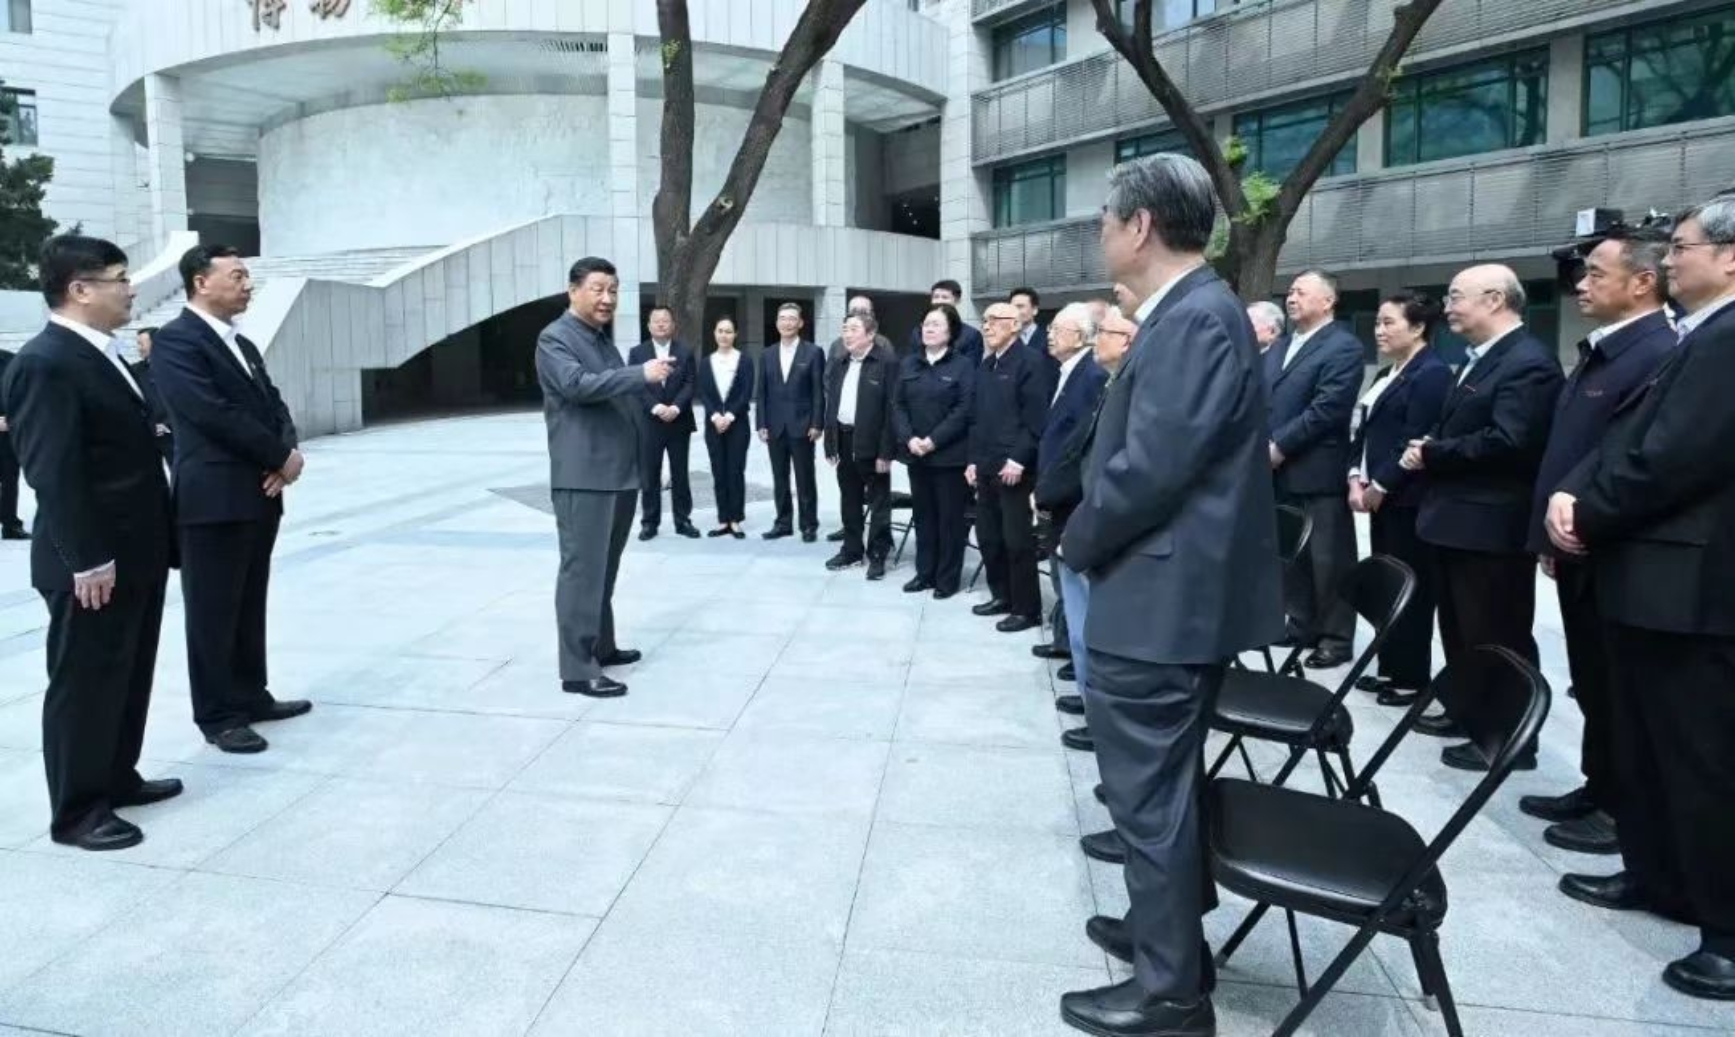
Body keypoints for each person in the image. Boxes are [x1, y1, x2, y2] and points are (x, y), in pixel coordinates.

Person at [1059, 154, 1282, 1037]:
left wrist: (1077, 539)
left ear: (1140, 225)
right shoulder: (1194, 311)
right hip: (1169, 591)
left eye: (1106, 219)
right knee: (1163, 788)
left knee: (1146, 797)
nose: (1100, 233)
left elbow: (1151, 468)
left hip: (1159, 599)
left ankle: (1170, 994)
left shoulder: (1191, 318)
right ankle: (1168, 939)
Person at [1548, 198, 1735, 1000]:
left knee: (1702, 761)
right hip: (1651, 582)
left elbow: (1671, 458)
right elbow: (1624, 441)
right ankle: (1660, 877)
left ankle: (1724, 930)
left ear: (1729, 256)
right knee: (1651, 749)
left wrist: (1585, 511)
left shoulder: (1726, 339)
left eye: (1682, 246)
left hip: (1692, 592)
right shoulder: (1697, 335)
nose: (1668, 260)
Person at [0, 235, 179, 850]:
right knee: (86, 684)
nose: (131, 289)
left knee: (127, 674)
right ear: (79, 289)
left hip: (133, 552)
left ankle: (116, 777)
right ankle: (78, 812)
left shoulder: (103, 353)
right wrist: (87, 558)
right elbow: (52, 471)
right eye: (119, 278)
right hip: (91, 563)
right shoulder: (45, 362)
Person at [1521, 235, 1674, 858]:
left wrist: (1579, 518)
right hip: (1575, 542)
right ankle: (1599, 783)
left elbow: (1624, 454)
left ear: (1642, 282)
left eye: (1595, 274)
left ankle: (1620, 808)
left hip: (1608, 543)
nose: (1580, 286)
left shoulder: (1657, 351)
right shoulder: (1608, 349)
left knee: (1615, 686)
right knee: (1591, 677)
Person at [150, 245, 313, 755]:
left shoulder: (241, 343)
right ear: (201, 282)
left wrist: (286, 452)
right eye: (238, 275)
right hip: (213, 500)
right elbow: (210, 412)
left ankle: (250, 693)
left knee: (248, 601)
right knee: (213, 611)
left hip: (259, 493)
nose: (248, 285)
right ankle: (218, 714)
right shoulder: (176, 341)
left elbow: (273, 403)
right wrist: (278, 457)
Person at [1400, 264, 1561, 771]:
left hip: (1492, 526)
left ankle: (1507, 736)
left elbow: (1511, 440)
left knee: (1497, 632)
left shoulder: (1528, 363)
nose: (1446, 307)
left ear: (1494, 299)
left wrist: (1434, 453)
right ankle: (1469, 711)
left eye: (1455, 297)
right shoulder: (1482, 358)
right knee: (1461, 628)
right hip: (1458, 521)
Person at [536, 256, 671, 699]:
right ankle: (577, 669)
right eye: (598, 289)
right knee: (582, 573)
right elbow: (577, 386)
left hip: (617, 473)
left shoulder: (599, 339)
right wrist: (639, 374)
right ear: (573, 290)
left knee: (604, 571)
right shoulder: (555, 338)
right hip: (584, 475)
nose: (607, 298)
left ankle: (601, 646)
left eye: (613, 290)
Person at [1346, 291, 1452, 707]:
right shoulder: (1387, 373)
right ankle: (1389, 665)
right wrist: (1355, 478)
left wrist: (1380, 485)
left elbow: (1415, 438)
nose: (1379, 330)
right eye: (1377, 322)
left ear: (1418, 327)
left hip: (1407, 500)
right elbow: (1363, 432)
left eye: (1389, 322)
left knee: (1413, 590)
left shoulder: (1432, 374)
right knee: (1387, 587)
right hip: (1379, 498)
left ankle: (1411, 677)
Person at [1038, 304, 1136, 723]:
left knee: (1092, 620)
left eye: (1105, 333)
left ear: (1128, 342)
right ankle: (1089, 694)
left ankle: (1100, 712)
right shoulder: (1108, 381)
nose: (1098, 340)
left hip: (1090, 513)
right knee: (1079, 618)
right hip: (1072, 507)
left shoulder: (1113, 385)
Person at [1265, 269, 1365, 669]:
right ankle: (1301, 622)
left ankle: (1336, 638)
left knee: (1329, 558)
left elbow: (1328, 408)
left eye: (1302, 292)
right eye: (1290, 292)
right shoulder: (1280, 347)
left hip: (1316, 468)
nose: (1292, 298)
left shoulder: (1343, 347)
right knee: (1293, 555)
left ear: (1328, 301)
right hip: (1276, 469)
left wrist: (1280, 445)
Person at [1034, 303, 1111, 751]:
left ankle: (1097, 708)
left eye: (1058, 328)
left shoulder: (1093, 376)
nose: (1049, 334)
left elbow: (1080, 449)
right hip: (1058, 497)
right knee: (1072, 601)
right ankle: (1087, 694)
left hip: (1073, 502)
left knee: (1086, 611)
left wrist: (1048, 489)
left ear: (1081, 335)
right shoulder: (1070, 371)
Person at [967, 301, 1050, 633]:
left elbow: (1036, 420)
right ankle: (1001, 595)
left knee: (1017, 541)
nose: (986, 326)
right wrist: (973, 460)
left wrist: (1018, 458)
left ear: (1015, 325)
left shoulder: (1031, 362)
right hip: (985, 465)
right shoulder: (987, 365)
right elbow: (976, 420)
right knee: (988, 536)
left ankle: (1027, 609)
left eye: (994, 320)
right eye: (984, 321)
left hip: (1015, 467)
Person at [893, 303, 974, 600]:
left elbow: (964, 410)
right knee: (924, 517)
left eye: (936, 324)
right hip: (917, 456)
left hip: (949, 457)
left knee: (950, 521)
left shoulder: (963, 366)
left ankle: (947, 580)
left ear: (951, 332)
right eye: (926, 324)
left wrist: (933, 440)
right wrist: (909, 438)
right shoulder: (909, 363)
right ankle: (924, 573)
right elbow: (898, 405)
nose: (928, 329)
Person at [823, 313, 898, 580]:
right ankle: (852, 550)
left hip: (873, 442)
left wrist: (886, 451)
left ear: (870, 334)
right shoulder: (840, 362)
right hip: (844, 438)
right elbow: (832, 404)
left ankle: (878, 553)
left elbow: (892, 410)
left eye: (854, 329)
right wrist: (830, 443)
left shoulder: (887, 363)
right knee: (849, 498)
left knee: (879, 501)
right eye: (845, 329)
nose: (847, 334)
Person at [628, 305, 700, 541]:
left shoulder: (684, 351)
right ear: (649, 325)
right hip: (650, 422)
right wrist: (657, 407)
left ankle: (683, 521)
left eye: (665, 320)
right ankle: (650, 523)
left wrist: (676, 407)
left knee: (680, 473)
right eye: (656, 320)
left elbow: (690, 383)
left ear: (673, 325)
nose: (661, 324)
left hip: (679, 422)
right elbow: (636, 385)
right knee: (650, 474)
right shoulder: (637, 353)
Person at [756, 302, 825, 542]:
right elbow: (761, 393)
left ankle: (809, 524)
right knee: (780, 478)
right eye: (782, 318)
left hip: (803, 426)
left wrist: (817, 423)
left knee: (805, 478)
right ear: (777, 323)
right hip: (775, 426)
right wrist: (761, 424)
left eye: (792, 318)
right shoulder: (767, 354)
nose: (787, 322)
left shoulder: (813, 353)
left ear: (800, 323)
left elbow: (818, 392)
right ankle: (783, 523)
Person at [698, 316, 753, 540]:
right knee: (719, 472)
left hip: (737, 424)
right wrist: (715, 417)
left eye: (728, 331)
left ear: (735, 334)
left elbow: (746, 392)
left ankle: (735, 520)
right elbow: (704, 393)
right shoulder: (706, 362)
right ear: (714, 333)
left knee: (735, 471)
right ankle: (723, 520)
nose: (724, 335)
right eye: (720, 331)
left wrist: (728, 416)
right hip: (713, 425)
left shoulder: (745, 360)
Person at [906, 280, 984, 361]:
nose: (939, 301)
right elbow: (911, 362)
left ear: (957, 300)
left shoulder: (971, 335)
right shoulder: (918, 332)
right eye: (936, 297)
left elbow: (971, 366)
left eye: (945, 297)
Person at [129, 326, 174, 465]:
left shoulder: (174, 367)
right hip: (151, 432)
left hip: (174, 431)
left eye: (141, 344)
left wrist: (167, 424)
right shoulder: (135, 370)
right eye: (138, 344)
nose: (139, 348)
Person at [0, 343, 27, 540]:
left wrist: (14, 419)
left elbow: (24, 393)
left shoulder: (10, 360)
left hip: (8, 430)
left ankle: (10, 525)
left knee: (10, 477)